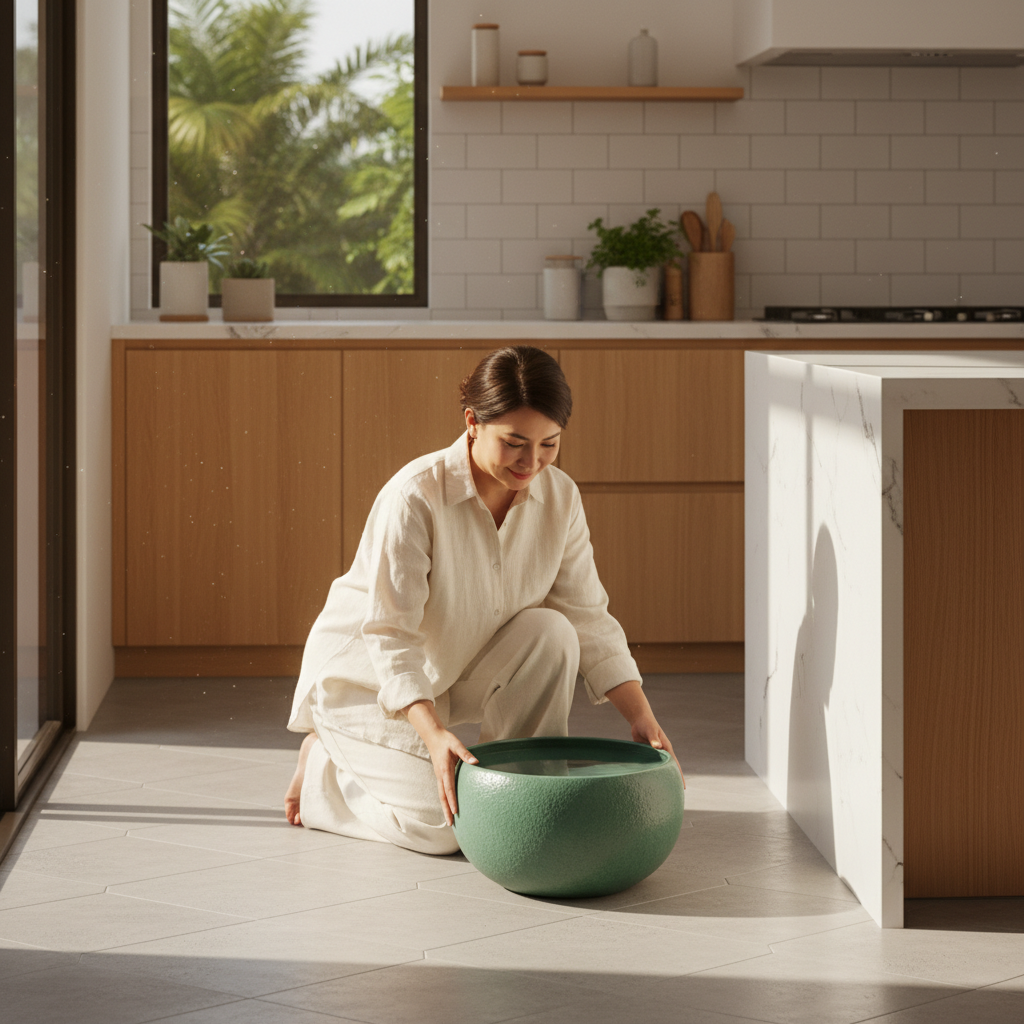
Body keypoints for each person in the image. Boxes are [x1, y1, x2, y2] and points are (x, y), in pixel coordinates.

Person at [284, 345, 680, 855]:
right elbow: (391, 637)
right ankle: (323, 772)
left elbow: (587, 616)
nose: (531, 462)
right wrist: (432, 737)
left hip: (453, 666)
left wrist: (640, 715)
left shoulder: (560, 498)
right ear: (472, 422)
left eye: (549, 444)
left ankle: (527, 777)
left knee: (553, 632)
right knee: (450, 823)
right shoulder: (415, 497)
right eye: (514, 443)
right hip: (369, 683)